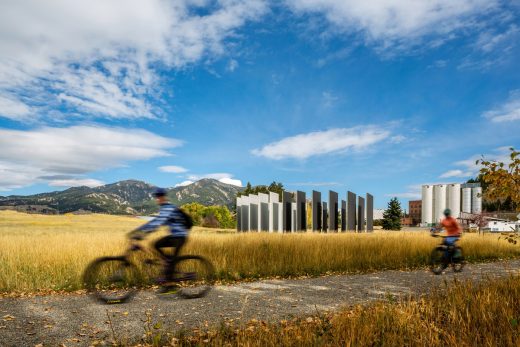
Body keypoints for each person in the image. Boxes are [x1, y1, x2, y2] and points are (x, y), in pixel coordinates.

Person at [129, 187, 189, 292]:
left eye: (159, 196)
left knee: (170, 261)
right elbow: (154, 221)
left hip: (180, 236)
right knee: (156, 245)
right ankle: (168, 261)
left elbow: (157, 223)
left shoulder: (168, 208)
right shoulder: (164, 208)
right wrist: (138, 230)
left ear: (163, 197)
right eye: (156, 197)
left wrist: (142, 234)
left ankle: (170, 286)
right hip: (175, 236)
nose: (157, 199)